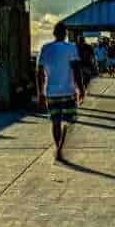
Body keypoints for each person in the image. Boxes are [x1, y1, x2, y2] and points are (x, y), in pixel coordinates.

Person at [37, 21, 83, 163]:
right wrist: (80, 89)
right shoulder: (71, 48)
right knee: (68, 122)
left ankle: (58, 147)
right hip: (68, 91)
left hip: (51, 92)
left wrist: (40, 92)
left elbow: (39, 72)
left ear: (54, 33)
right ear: (65, 34)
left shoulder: (45, 48)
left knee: (55, 122)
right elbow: (76, 69)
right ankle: (60, 149)